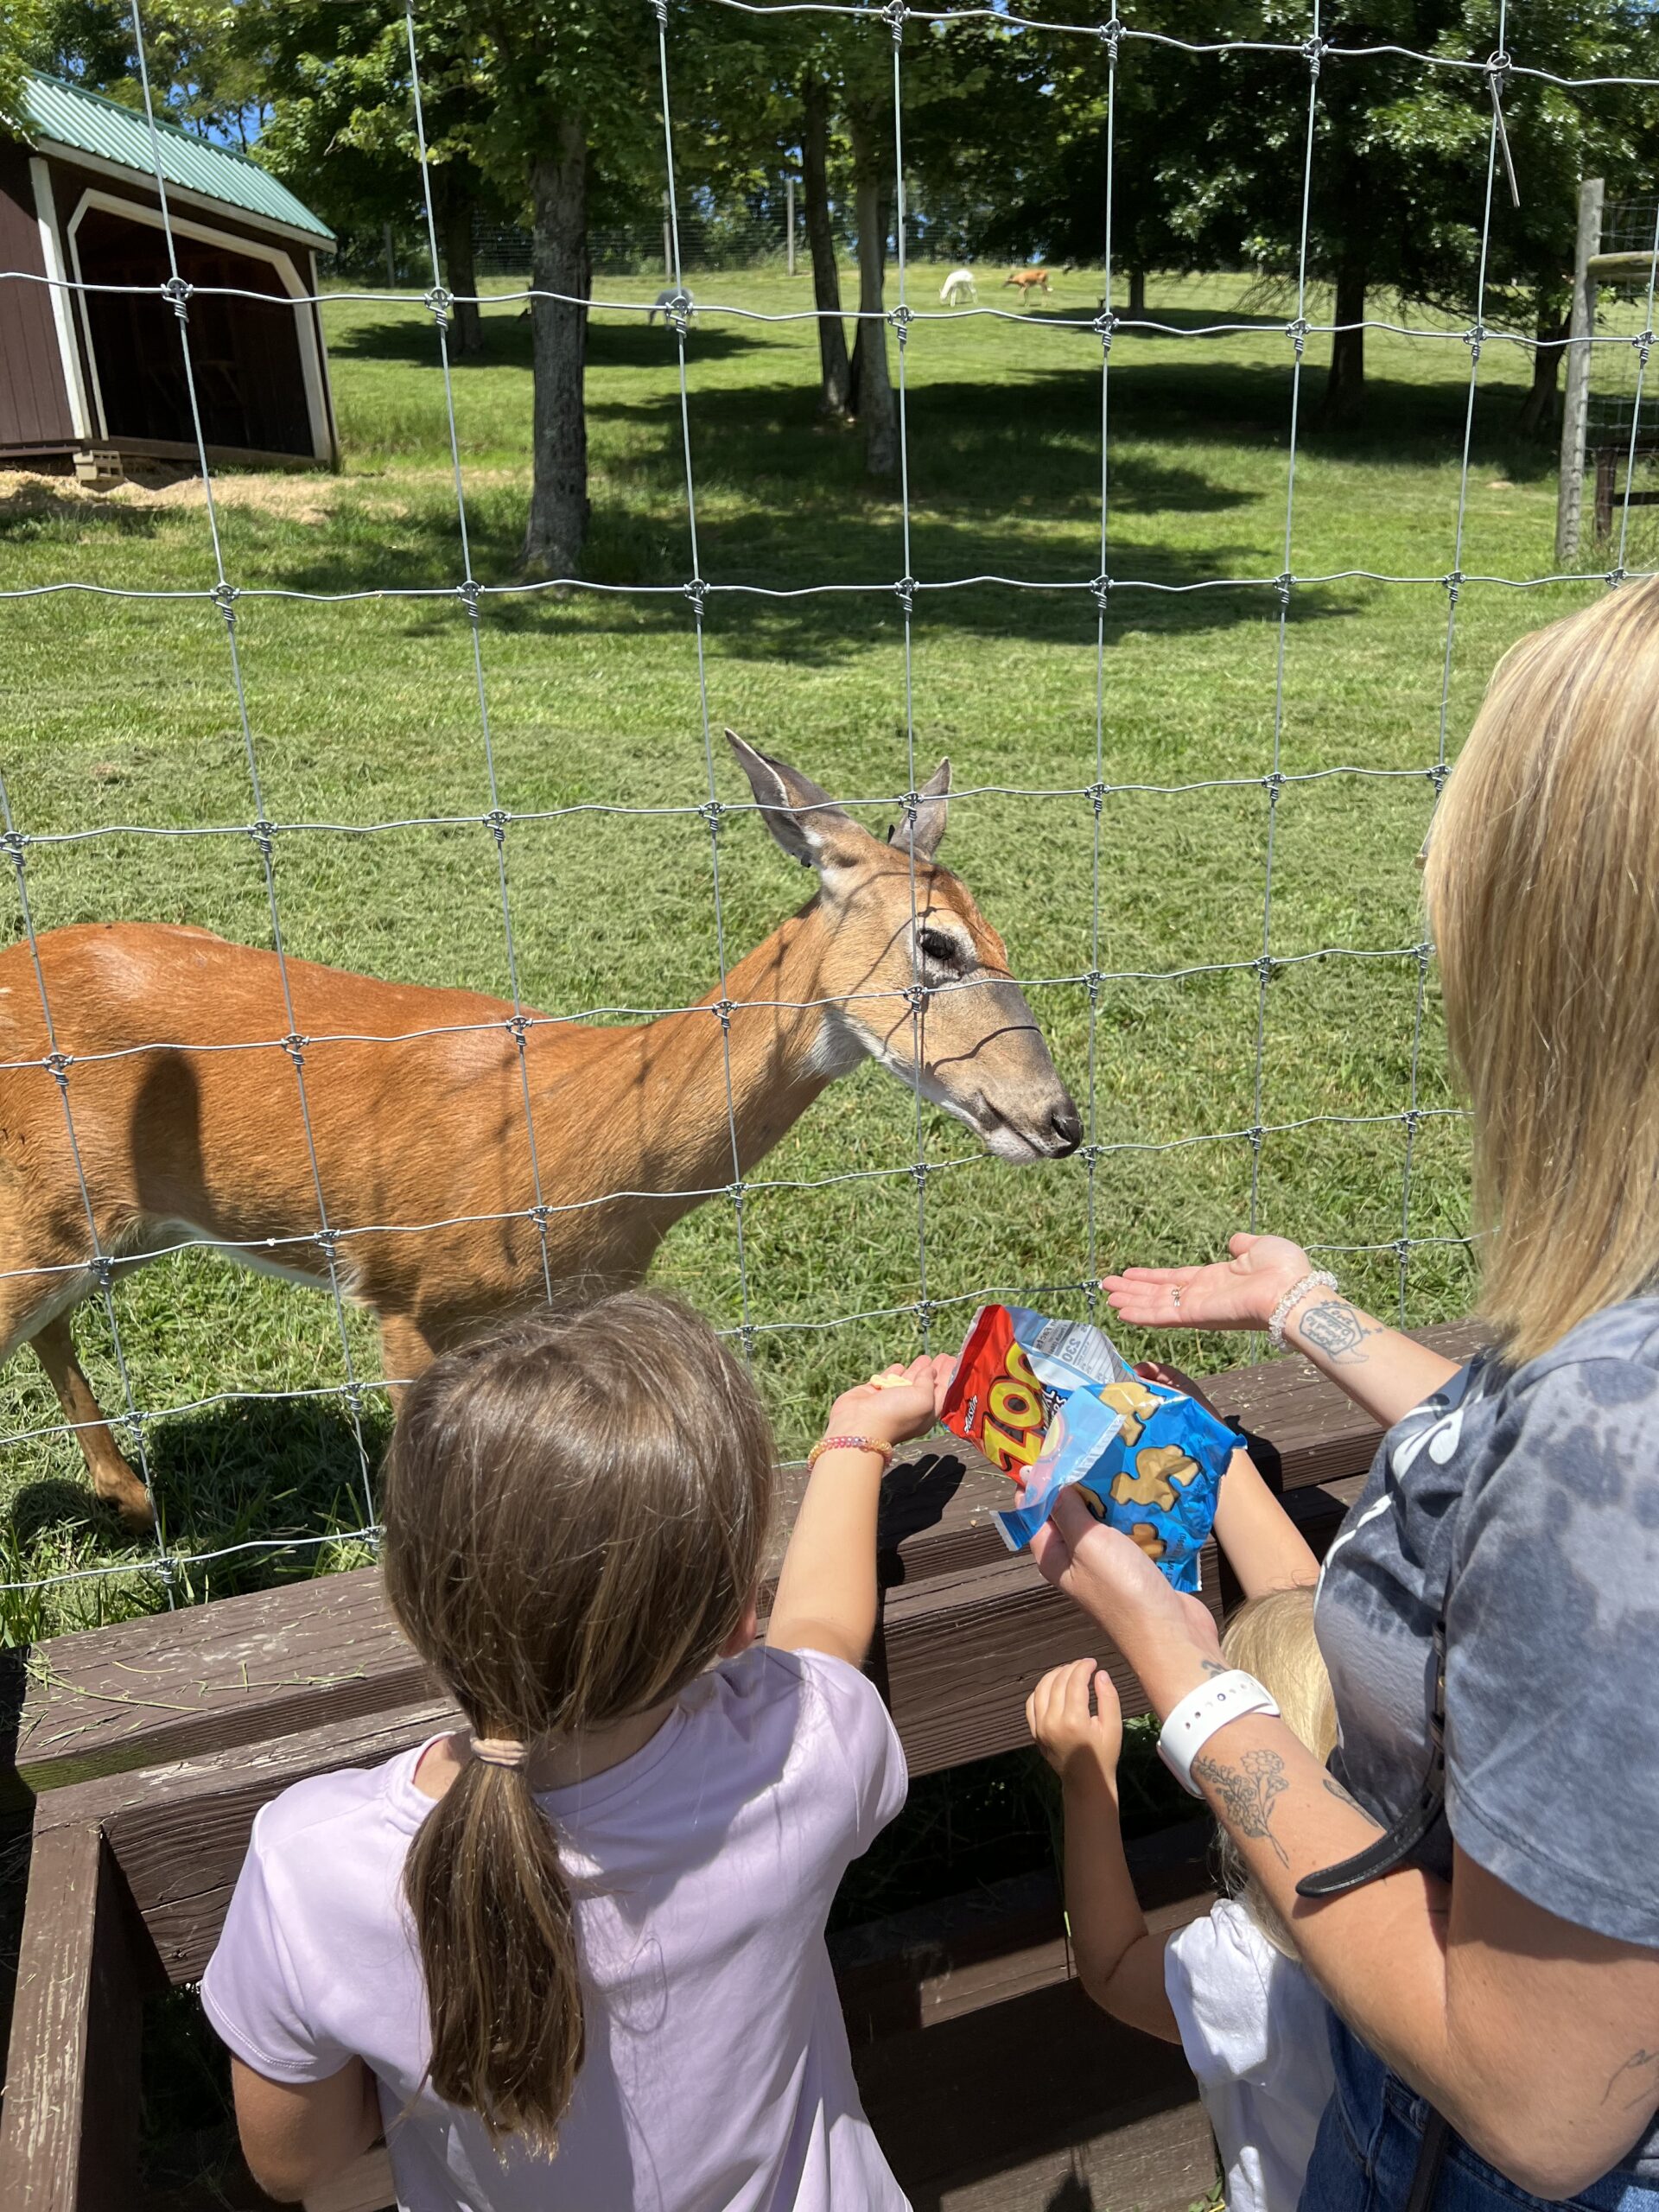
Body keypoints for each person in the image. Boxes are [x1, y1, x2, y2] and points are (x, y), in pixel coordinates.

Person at [1035, 582, 1659, 2209]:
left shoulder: (1627, 1429)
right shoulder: (1616, 1384)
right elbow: (1566, 1464)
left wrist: (1193, 1681)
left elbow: (1544, 2100)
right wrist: (1311, 1310)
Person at [200, 1293, 952, 2211]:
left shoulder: (309, 1863)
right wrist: (854, 1436)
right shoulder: (802, 1756)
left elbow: (295, 2163)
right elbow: (825, 1634)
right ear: (733, 1624)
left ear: (412, 1607)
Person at [1028, 1433, 1338, 2212]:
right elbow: (1319, 1651)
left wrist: (1087, 1781)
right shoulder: (1440, 1870)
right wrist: (1211, 1452)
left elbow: (1111, 1966)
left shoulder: (1261, 1970)